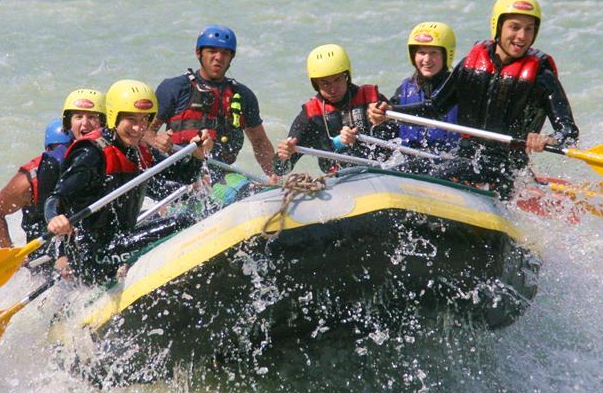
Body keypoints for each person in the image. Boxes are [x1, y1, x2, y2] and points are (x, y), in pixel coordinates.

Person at [369, 0, 579, 199]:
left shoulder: (542, 77)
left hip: (506, 167)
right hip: (466, 157)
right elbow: (434, 109)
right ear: (498, 26)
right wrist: (391, 112)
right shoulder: (470, 66)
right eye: (514, 27)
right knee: (399, 172)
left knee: (435, 177)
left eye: (529, 29)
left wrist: (548, 139)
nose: (522, 36)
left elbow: (568, 132)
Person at [46, 79, 211, 284]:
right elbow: (56, 198)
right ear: (114, 117)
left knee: (188, 215)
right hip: (93, 255)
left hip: (122, 240)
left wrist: (197, 155)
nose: (138, 127)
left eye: (144, 120)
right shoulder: (91, 153)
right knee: (183, 222)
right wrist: (54, 218)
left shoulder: (139, 149)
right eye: (131, 119)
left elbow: (184, 176)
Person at [0, 89, 106, 252]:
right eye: (78, 117)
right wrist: (11, 251)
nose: (85, 123)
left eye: (92, 117)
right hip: (46, 253)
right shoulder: (33, 177)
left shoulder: (110, 153)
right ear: (69, 124)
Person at [150, 24, 277, 181]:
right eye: (212, 51)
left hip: (221, 176)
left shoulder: (243, 95)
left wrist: (274, 175)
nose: (218, 57)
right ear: (199, 53)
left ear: (231, 57)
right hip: (178, 174)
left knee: (246, 186)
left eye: (225, 53)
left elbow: (259, 142)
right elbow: (145, 132)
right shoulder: (174, 88)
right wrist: (157, 141)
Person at [275, 43, 389, 174]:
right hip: (339, 178)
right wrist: (284, 155)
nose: (333, 89)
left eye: (337, 80)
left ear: (347, 76)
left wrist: (384, 118)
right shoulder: (310, 116)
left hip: (383, 171)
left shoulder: (371, 100)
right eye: (325, 83)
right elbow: (279, 170)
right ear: (315, 84)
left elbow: (401, 137)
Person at [388, 21, 460, 156]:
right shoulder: (403, 91)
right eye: (421, 52)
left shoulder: (458, 90)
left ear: (446, 55)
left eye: (434, 53)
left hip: (450, 161)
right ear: (413, 56)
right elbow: (386, 131)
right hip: (409, 160)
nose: (427, 59)